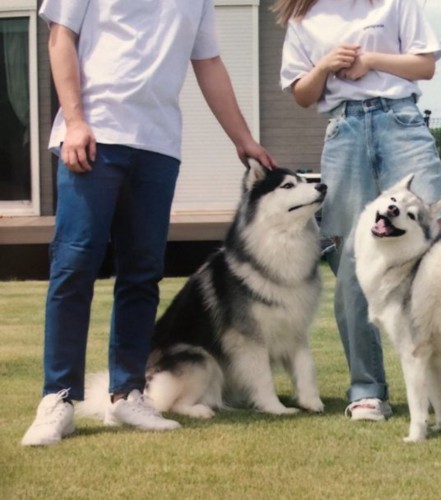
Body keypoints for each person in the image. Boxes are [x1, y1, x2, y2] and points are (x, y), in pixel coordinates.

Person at [22, 0, 276, 447]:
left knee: (142, 274)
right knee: (74, 266)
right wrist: (76, 120)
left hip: (158, 145)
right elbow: (61, 36)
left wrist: (244, 139)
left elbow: (209, 62)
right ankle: (57, 398)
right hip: (94, 135)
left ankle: (127, 393)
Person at [274, 0, 441, 422]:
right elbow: (301, 94)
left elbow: (424, 66)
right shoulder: (304, 16)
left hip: (401, 122)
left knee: (440, 248)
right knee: (351, 257)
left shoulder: (397, 2)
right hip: (343, 130)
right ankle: (367, 390)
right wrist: (327, 65)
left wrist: (369, 59)